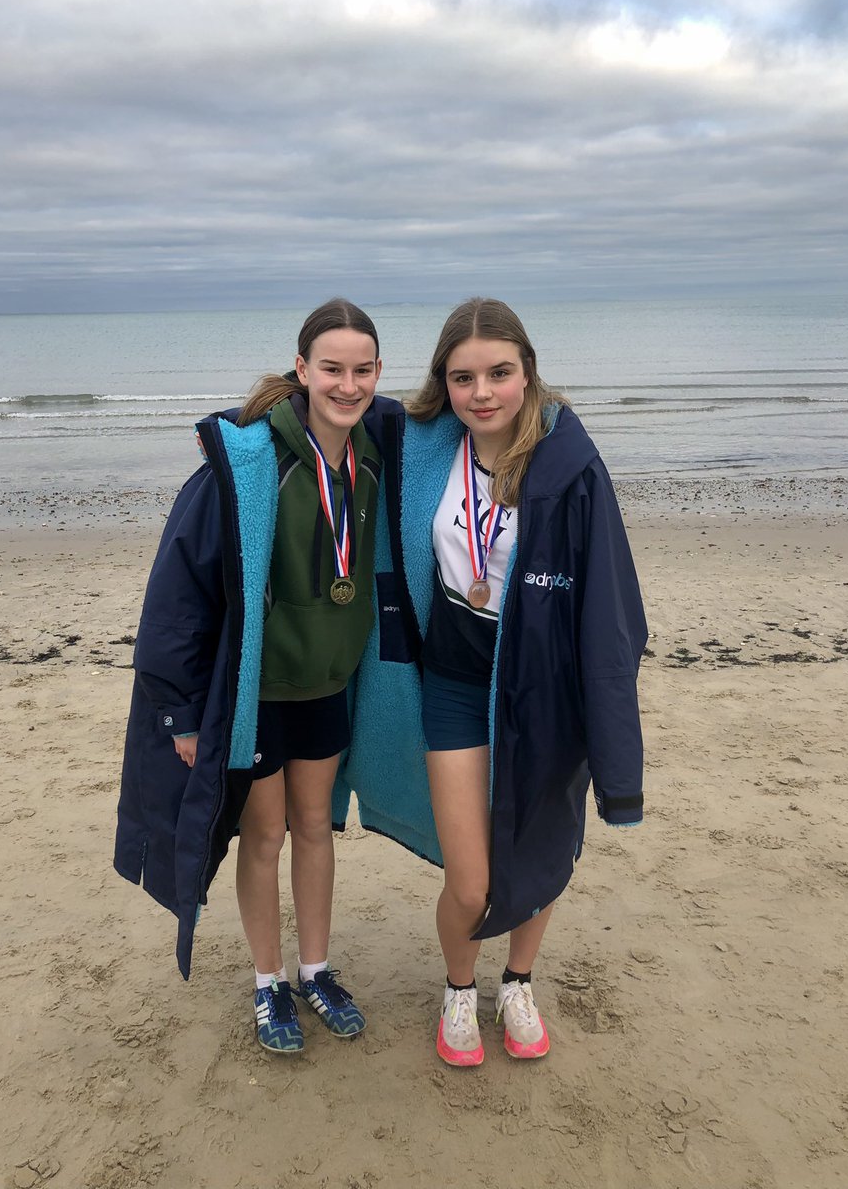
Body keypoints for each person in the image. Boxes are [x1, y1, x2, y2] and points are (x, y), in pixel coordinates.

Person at [344, 298, 647, 1067]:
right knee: (473, 882)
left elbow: (611, 605)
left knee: (539, 860)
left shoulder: (569, 468)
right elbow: (332, 402)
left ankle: (516, 981)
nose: (483, 393)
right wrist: (262, 407)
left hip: (541, 694)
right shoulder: (421, 444)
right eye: (463, 377)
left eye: (499, 373)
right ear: (443, 384)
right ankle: (457, 988)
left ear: (527, 372)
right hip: (451, 685)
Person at [115, 299, 403, 1055]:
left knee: (316, 828)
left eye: (363, 369)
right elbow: (178, 591)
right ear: (302, 368)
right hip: (255, 696)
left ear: (379, 373)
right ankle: (268, 981)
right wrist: (180, 713)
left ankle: (315, 967)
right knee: (265, 835)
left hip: (330, 684)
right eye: (331, 368)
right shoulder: (250, 463)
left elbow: (463, 419)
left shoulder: (377, 452)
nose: (348, 384)